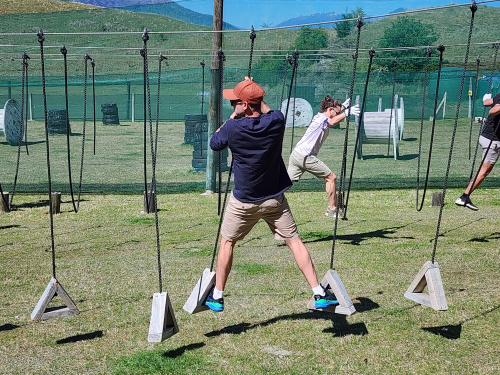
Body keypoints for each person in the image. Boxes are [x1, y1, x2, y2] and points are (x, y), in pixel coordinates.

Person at [205, 77, 339, 312]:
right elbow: (267, 111)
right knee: (294, 241)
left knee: (227, 242)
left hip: (244, 201)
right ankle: (319, 293)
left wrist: (232, 116)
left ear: (244, 105)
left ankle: (217, 296)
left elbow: (215, 143)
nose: (233, 104)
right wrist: (255, 94)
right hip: (274, 200)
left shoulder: (233, 127)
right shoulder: (276, 121)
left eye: (235, 101)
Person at [287, 95, 360, 218]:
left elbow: (334, 117)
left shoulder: (320, 116)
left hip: (296, 155)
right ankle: (332, 210)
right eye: (336, 112)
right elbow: (332, 121)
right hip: (306, 156)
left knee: (285, 183)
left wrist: (344, 108)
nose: (338, 114)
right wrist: (346, 113)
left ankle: (263, 197)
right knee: (331, 178)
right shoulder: (323, 119)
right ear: (330, 110)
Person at [456, 92, 500, 210]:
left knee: (483, 170)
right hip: (493, 141)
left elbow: (487, 103)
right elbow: (492, 111)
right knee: (484, 172)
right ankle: (464, 197)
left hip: (488, 137)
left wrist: (485, 98)